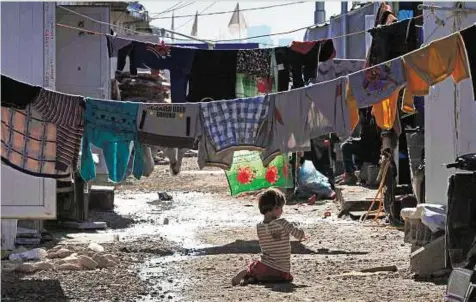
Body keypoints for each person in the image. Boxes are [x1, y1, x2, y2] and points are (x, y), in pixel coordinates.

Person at [231, 188, 307, 286]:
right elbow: (299, 235)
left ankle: (249, 275)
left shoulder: (259, 226)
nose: (282, 211)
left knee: (256, 265)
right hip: (281, 271)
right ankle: (252, 277)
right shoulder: (283, 223)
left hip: (263, 267)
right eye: (281, 208)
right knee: (287, 278)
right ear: (275, 208)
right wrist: (297, 226)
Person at [337, 108, 381, 185]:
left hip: (375, 149)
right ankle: (350, 175)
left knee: (346, 145)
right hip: (364, 145)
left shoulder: (376, 110)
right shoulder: (363, 109)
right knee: (345, 145)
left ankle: (351, 174)